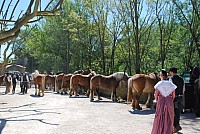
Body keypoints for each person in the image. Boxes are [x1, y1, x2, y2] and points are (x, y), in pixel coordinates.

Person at [151, 69, 177, 134]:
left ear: (162, 76)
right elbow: (173, 95)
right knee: (169, 116)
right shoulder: (171, 84)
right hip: (169, 100)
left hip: (161, 100)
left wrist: (157, 100)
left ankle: (158, 131)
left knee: (159, 116)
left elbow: (156, 94)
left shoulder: (159, 84)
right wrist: (170, 99)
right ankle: (168, 131)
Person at [169, 67, 185, 133]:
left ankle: (175, 126)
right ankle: (177, 125)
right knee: (178, 112)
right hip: (180, 97)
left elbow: (171, 89)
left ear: (171, 72)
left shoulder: (171, 79)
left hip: (174, 98)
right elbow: (183, 89)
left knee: (172, 112)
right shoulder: (182, 79)